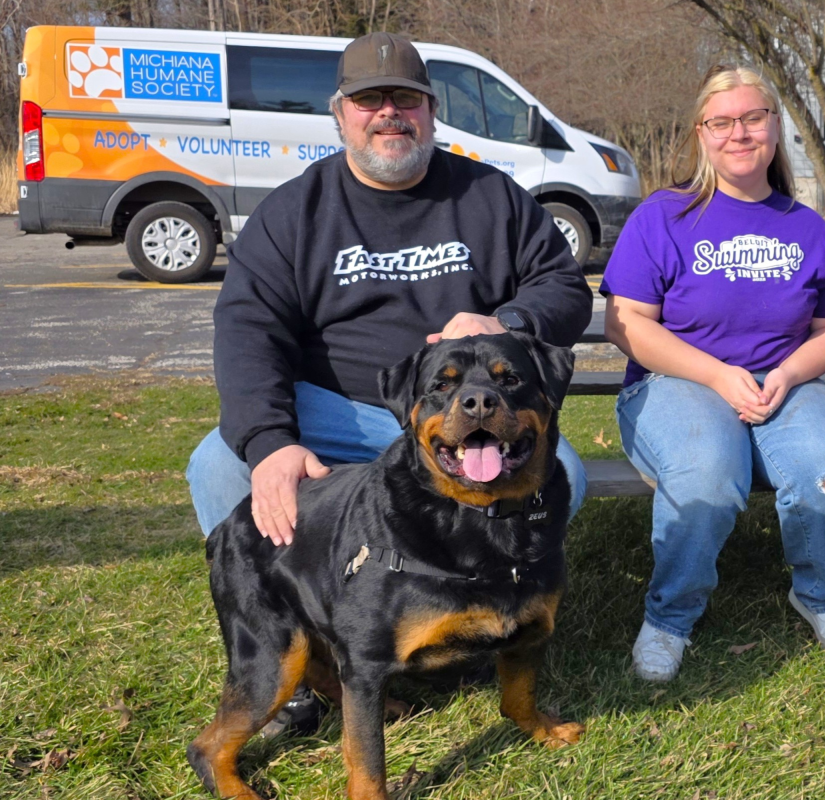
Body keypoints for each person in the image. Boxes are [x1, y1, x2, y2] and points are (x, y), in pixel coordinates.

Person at [186, 32, 592, 733]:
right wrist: (269, 441)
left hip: (454, 408)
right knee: (218, 465)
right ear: (340, 113)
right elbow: (248, 328)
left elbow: (563, 285)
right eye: (368, 99)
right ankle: (294, 647)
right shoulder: (294, 212)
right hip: (331, 407)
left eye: (405, 98)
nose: (388, 113)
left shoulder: (489, 196)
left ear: (430, 110)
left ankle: (474, 619)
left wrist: (505, 320)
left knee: (570, 474)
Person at [601, 65, 825, 683]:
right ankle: (670, 617)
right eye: (721, 122)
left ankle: (822, 596)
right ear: (701, 133)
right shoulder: (664, 216)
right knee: (708, 472)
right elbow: (626, 323)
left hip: (783, 384)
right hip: (677, 383)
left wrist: (789, 373)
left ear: (775, 127)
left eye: (753, 118)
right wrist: (719, 376)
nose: (739, 133)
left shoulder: (805, 227)